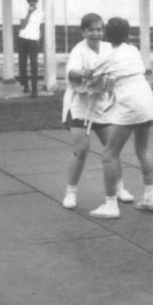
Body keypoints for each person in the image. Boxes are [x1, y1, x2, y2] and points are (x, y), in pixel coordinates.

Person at [85, 17, 153, 219]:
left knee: (109, 154)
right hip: (146, 97)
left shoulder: (108, 56)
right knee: (143, 149)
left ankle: (111, 205)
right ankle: (150, 197)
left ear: (107, 35)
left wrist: (85, 73)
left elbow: (90, 75)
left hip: (129, 101)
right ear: (126, 35)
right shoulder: (133, 50)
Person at [60, 13, 134, 211]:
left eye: (99, 29)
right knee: (81, 149)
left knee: (113, 149)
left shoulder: (109, 48)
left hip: (101, 104)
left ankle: (120, 188)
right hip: (79, 104)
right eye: (91, 30)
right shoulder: (78, 50)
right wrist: (83, 73)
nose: (95, 33)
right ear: (83, 32)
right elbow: (72, 71)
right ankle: (71, 192)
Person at [17, 0, 44, 97]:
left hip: (33, 40)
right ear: (28, 2)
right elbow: (22, 26)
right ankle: (25, 86)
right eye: (30, 1)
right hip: (23, 38)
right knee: (22, 63)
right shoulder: (23, 10)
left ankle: (34, 89)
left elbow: (41, 27)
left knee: (34, 63)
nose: (32, 3)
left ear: (36, 1)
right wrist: (29, 13)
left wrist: (39, 39)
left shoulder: (41, 12)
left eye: (34, 1)